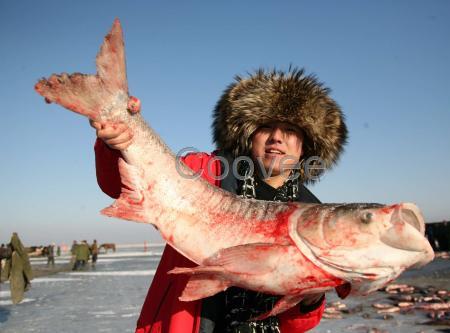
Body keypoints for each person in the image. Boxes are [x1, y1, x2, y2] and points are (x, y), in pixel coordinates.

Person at [92, 68, 347, 333]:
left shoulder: (315, 217)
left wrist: (311, 297)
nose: (277, 137)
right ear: (249, 135)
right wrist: (117, 141)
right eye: (266, 127)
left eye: (291, 129)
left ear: (306, 145)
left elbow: (294, 324)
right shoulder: (202, 173)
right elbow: (120, 182)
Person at [2, 233, 33, 304]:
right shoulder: (13, 252)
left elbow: (26, 264)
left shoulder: (20, 252)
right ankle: (16, 302)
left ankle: (17, 302)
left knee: (18, 288)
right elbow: (8, 264)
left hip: (19, 273)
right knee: (16, 288)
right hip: (15, 274)